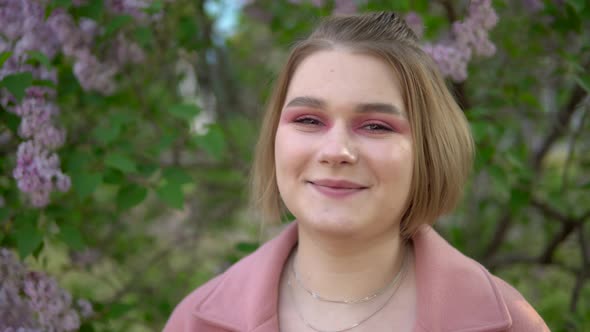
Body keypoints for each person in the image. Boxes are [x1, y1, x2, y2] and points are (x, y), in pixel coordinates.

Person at [163, 12, 549, 332]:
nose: (336, 152)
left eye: (376, 126)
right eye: (310, 120)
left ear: (428, 150)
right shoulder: (193, 323)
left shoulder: (513, 325)